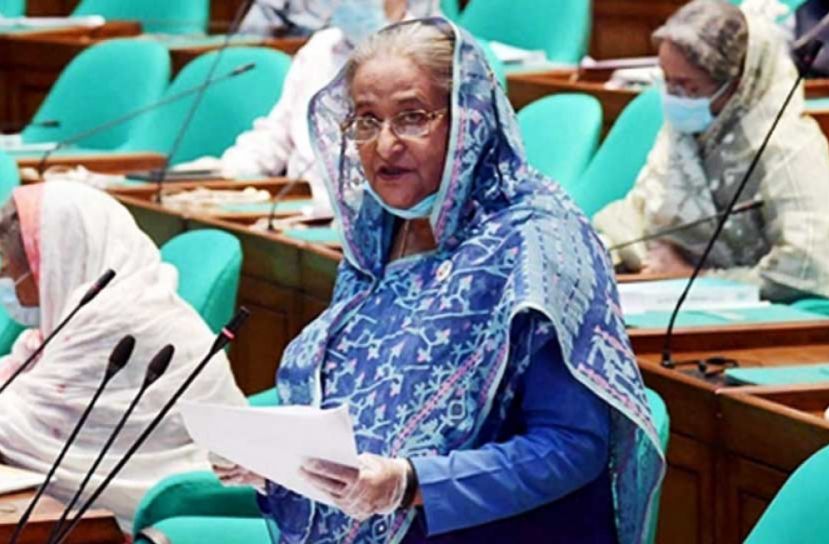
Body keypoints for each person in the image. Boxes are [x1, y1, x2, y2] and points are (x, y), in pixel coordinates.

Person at [251, 19, 664, 543]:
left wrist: (411, 483)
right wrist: (271, 459)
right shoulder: (377, 233)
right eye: (366, 120)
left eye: (412, 118)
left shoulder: (538, 241)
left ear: (469, 120)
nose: (385, 144)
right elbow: (349, 405)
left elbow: (571, 447)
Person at [0, 181, 246, 528]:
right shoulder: (91, 308)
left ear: (57, 258)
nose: (5, 276)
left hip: (156, 517)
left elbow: (31, 427)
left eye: (9, 264)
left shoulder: (116, 319)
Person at [594, 0, 829, 303]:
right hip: (659, 294)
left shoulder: (788, 149)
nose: (674, 97)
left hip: (756, 317)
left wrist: (696, 278)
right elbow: (641, 211)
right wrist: (635, 256)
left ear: (737, 85)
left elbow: (808, 267)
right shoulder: (684, 132)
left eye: (688, 86)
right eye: (666, 81)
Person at [190, 0, 438, 213]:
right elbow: (276, 137)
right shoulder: (319, 48)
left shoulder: (431, 56)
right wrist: (218, 173)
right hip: (300, 211)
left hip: (380, 219)